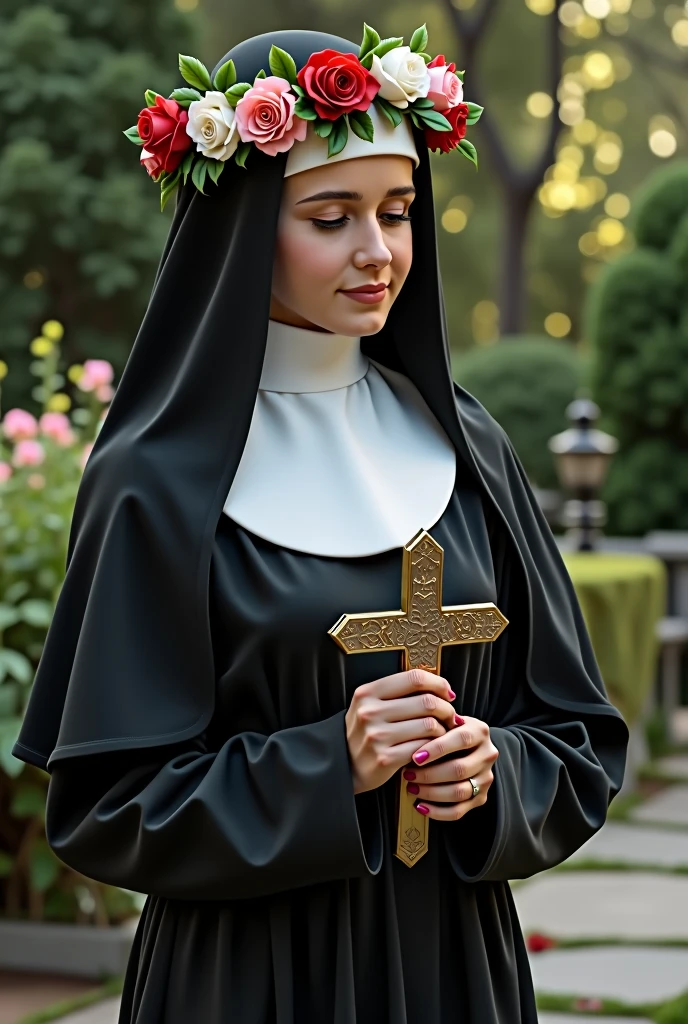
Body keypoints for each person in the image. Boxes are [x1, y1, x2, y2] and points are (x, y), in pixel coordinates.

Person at [13, 27, 628, 1024]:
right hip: (245, 976)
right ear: (248, 224)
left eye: (396, 212)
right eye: (330, 217)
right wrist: (326, 763)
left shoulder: (467, 445)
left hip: (450, 966)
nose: (376, 251)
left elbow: (574, 739)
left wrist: (495, 769)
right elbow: (106, 807)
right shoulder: (157, 480)